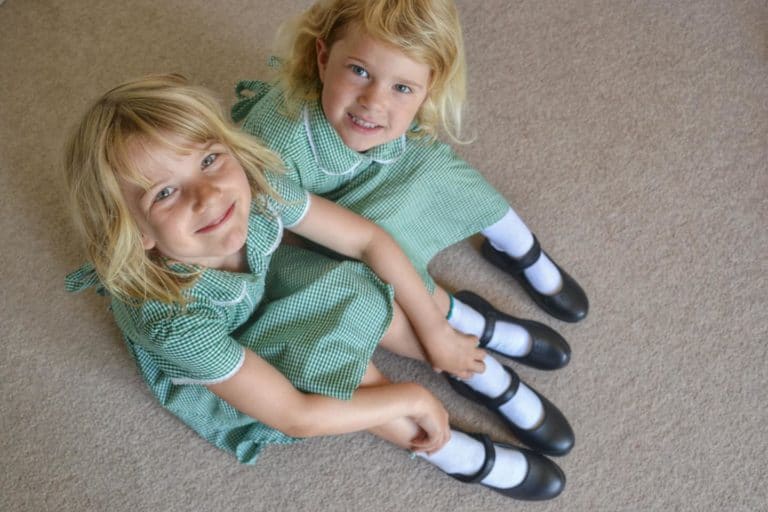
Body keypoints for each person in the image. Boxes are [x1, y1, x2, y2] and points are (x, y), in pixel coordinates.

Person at [63, 75, 565, 500]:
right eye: (166, 193)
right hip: (222, 339)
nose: (209, 196)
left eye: (210, 160)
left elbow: (368, 240)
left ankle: (476, 368)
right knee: (327, 365)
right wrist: (409, 398)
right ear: (138, 233)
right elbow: (295, 414)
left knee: (358, 289)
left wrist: (434, 330)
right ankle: (451, 452)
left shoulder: (255, 185)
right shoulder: (170, 322)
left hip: (270, 281)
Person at [232, 0, 582, 452]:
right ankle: (473, 340)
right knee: (355, 274)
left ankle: (522, 252)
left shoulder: (382, 116)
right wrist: (433, 330)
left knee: (435, 171)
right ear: (323, 57)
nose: (373, 101)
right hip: (294, 218)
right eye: (359, 71)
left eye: (402, 87)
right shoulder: (275, 146)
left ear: (427, 87)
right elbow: (338, 240)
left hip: (351, 187)